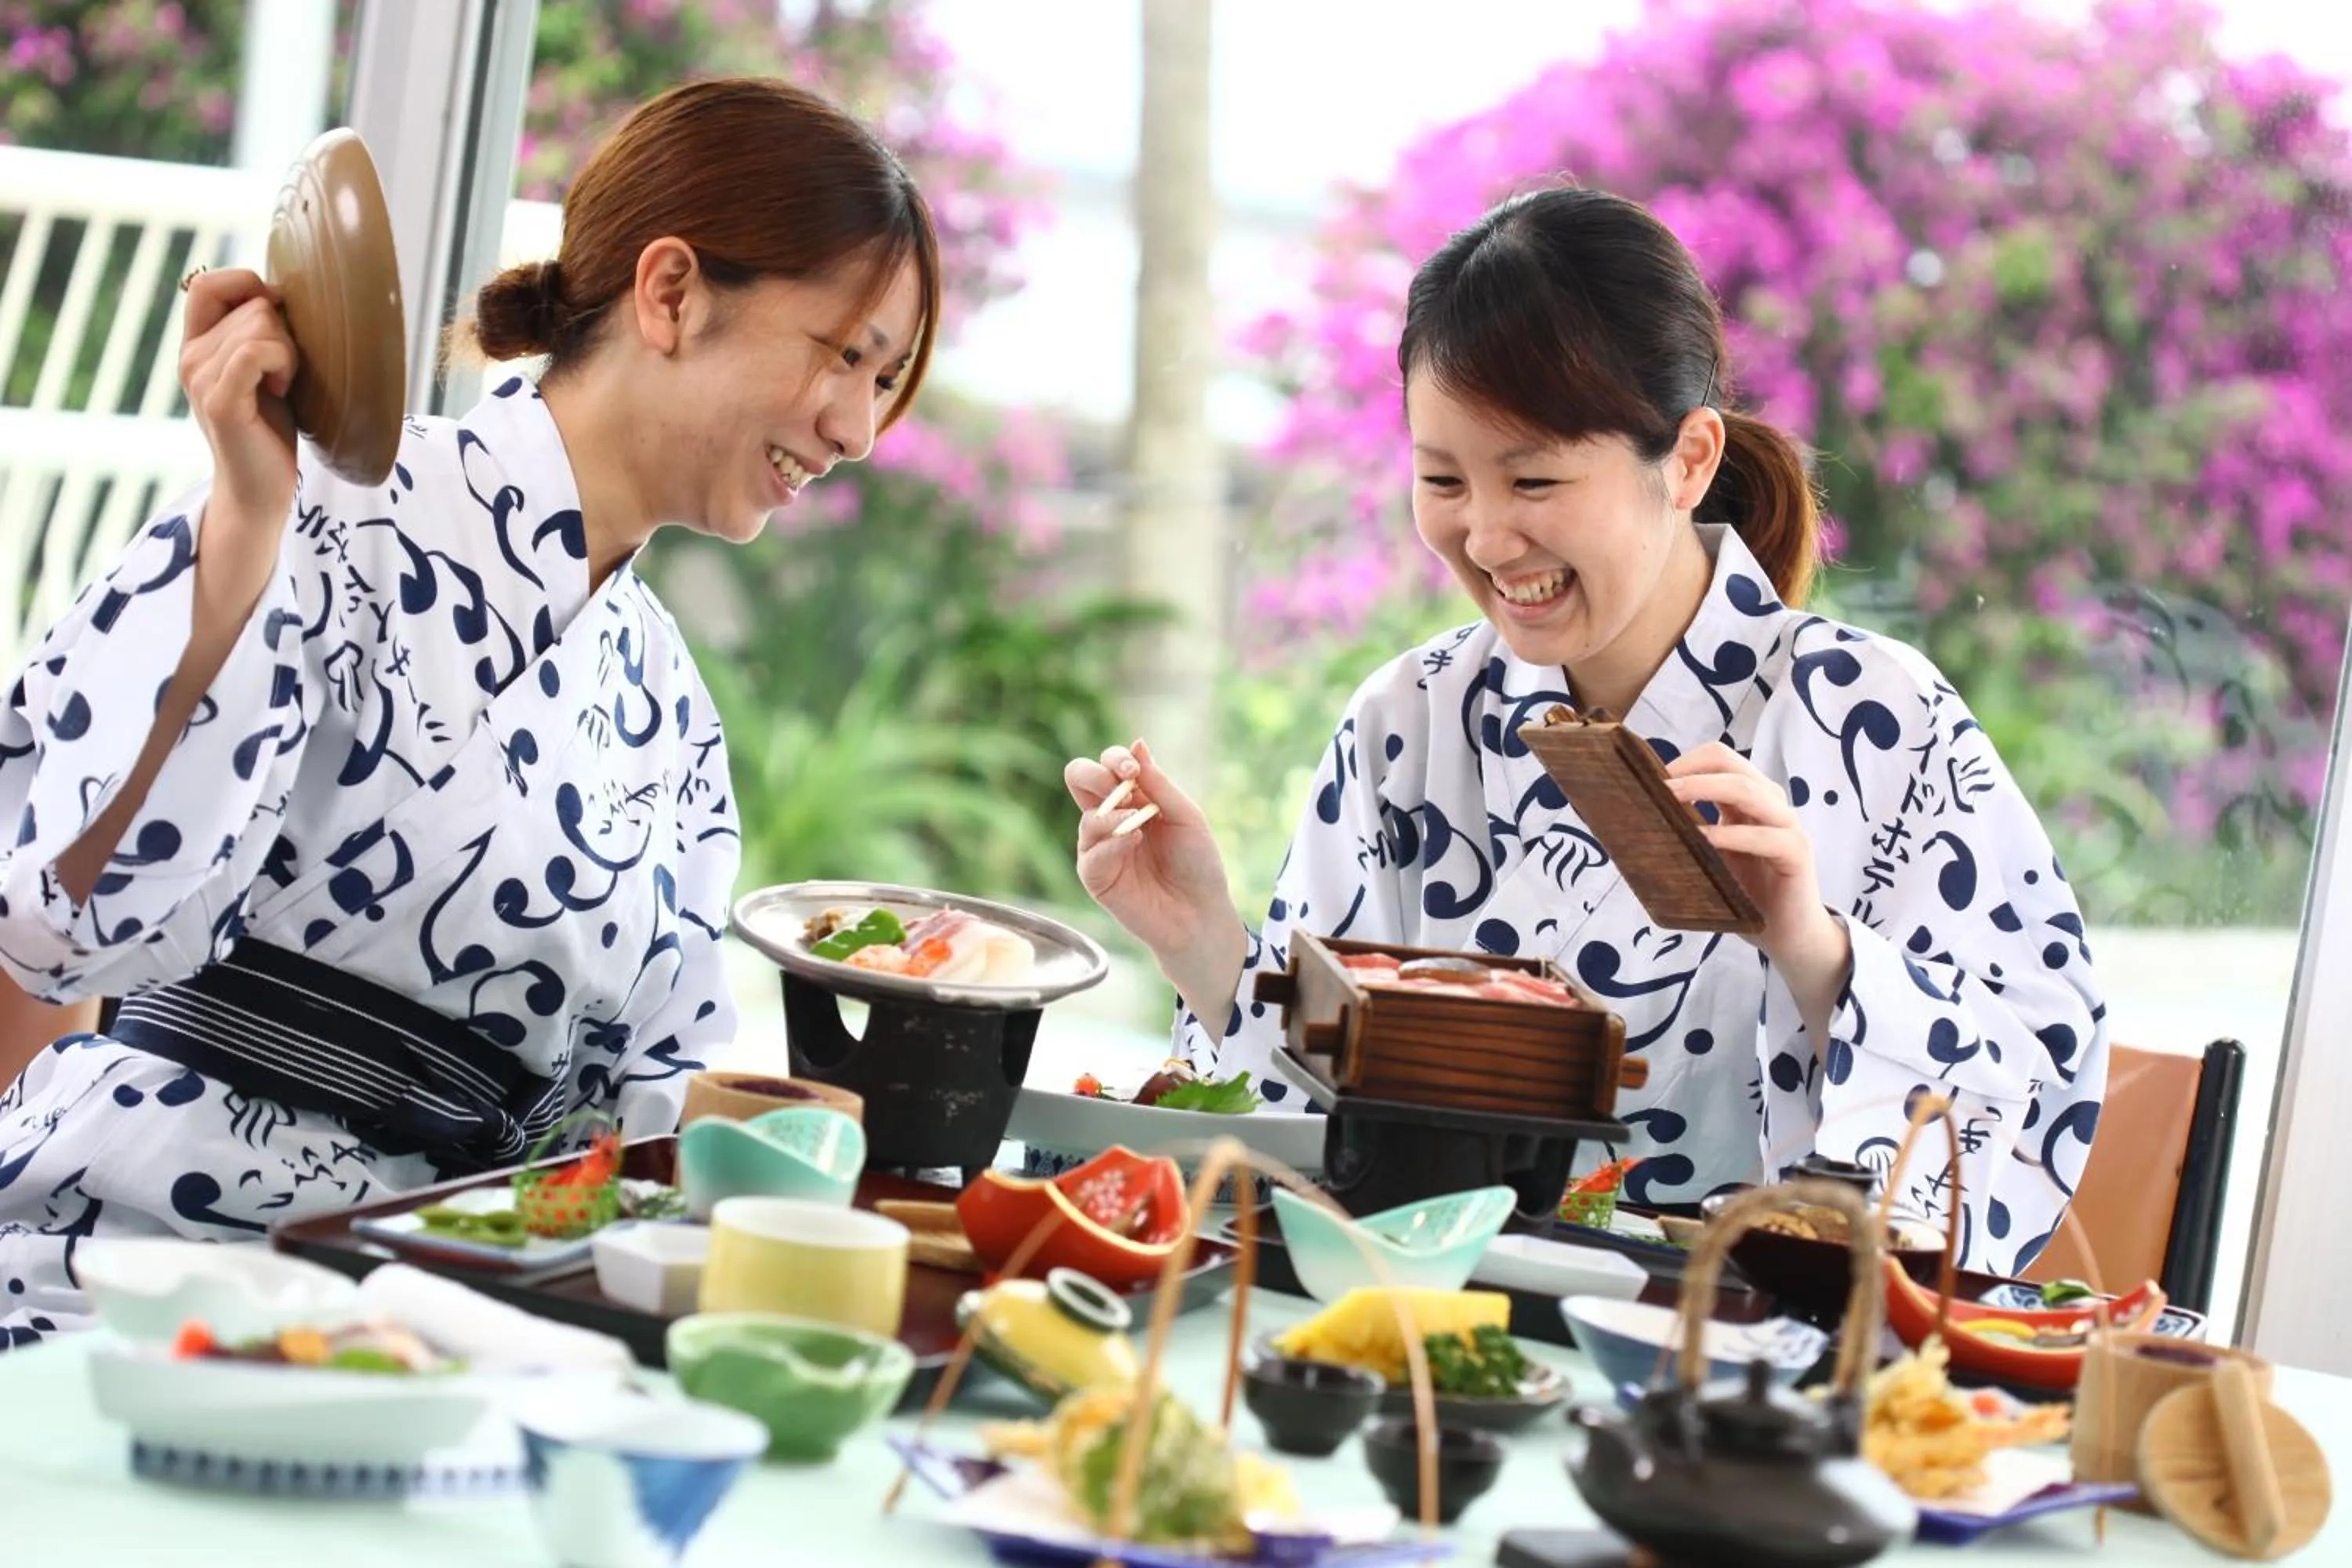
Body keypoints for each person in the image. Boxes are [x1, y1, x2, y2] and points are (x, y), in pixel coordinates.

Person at [0, 77, 939, 1345]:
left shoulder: (674, 712)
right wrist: (240, 536)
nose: (860, 430)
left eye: (886, 386)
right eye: (849, 359)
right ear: (671, 294)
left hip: (441, 1323)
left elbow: (653, 1123)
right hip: (138, 1267)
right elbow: (59, 925)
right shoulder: (325, 512)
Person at [1069, 187, 2107, 1276]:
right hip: (1419, 1317)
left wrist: (1814, 948)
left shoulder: (1872, 719)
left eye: (1535, 479)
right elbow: (1302, 1155)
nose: (1486, 532)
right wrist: (1205, 945)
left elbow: (2041, 1083)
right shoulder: (1407, 721)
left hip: (1731, 1358)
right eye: (1443, 480)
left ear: (1691, 460)